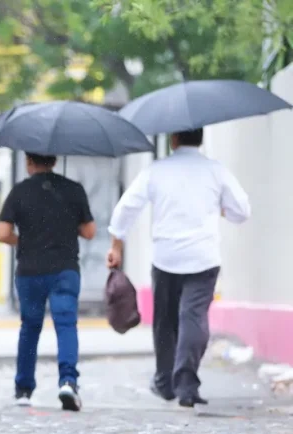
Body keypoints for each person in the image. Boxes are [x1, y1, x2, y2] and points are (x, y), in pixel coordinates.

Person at [106, 128, 251, 408]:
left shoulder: (156, 170)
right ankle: (186, 384)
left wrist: (116, 246)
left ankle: (164, 382)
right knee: (193, 317)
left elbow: (125, 208)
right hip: (204, 258)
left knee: (165, 321)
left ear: (173, 140)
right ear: (201, 139)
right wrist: (223, 210)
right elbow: (242, 210)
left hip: (166, 258)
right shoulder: (215, 170)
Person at [0, 153, 96, 411]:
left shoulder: (19, 191)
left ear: (29, 162)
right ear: (54, 160)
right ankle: (68, 383)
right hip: (64, 269)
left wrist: (24, 240)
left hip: (30, 270)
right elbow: (89, 231)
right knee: (66, 325)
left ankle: (24, 390)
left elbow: (2, 233)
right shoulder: (74, 190)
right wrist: (65, 226)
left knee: (30, 328)